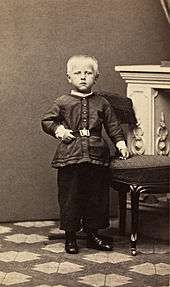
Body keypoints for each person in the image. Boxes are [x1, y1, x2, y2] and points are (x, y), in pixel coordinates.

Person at [41, 54, 129, 254]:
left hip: (97, 157)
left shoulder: (102, 103)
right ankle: (70, 237)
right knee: (70, 197)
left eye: (88, 73)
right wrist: (60, 131)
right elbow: (47, 120)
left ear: (96, 77)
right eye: (77, 73)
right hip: (70, 158)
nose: (83, 77)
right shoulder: (62, 101)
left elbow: (113, 126)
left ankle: (93, 235)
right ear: (68, 77)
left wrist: (121, 144)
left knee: (96, 197)